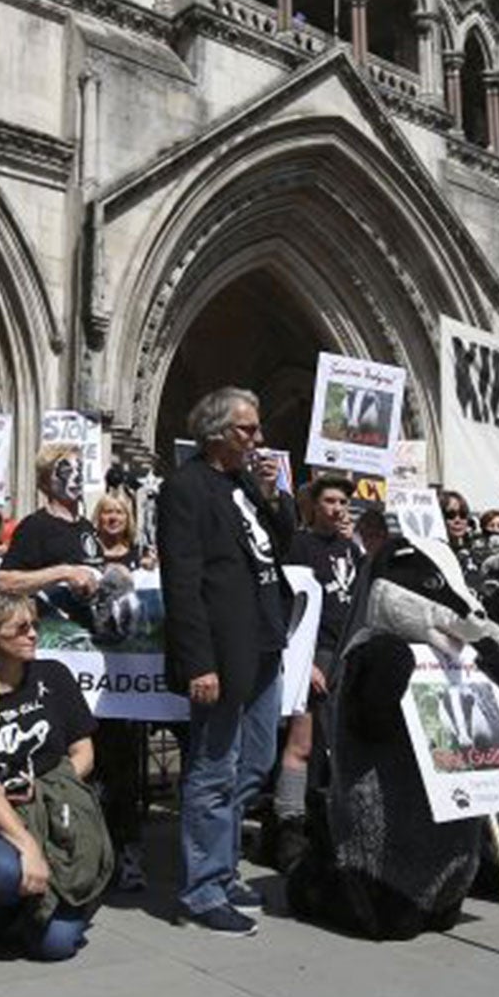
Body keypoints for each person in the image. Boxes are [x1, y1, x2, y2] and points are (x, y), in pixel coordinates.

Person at [158, 387, 295, 936]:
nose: (257, 439)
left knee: (255, 765)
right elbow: (183, 583)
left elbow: (283, 544)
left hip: (263, 647)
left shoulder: (242, 484)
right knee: (214, 771)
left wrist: (273, 495)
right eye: (247, 430)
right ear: (216, 433)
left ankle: (224, 865)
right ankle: (203, 889)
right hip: (221, 653)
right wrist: (198, 663)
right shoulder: (185, 488)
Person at [0, 589, 104, 960]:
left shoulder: (53, 675)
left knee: (56, 947)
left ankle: (49, 911)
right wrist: (27, 842)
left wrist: (47, 791)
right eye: (20, 627)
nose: (33, 635)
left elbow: (83, 750)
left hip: (56, 806)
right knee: (0, 874)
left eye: (34, 625)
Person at [280, 473, 358, 867]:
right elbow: (292, 606)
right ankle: (289, 827)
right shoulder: (299, 545)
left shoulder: (350, 549)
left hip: (347, 652)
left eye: (343, 502)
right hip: (315, 653)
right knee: (303, 742)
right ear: (314, 505)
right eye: (330, 501)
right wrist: (304, 662)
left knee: (338, 745)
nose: (338, 509)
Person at [87, 490, 151, 891]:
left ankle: (128, 853)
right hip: (90, 679)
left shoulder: (143, 555)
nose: (112, 518)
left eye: (119, 513)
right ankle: (95, 852)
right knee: (94, 769)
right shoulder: (85, 553)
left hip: (131, 683)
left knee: (125, 773)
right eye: (106, 512)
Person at [0, 444, 102, 600]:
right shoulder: (35, 526)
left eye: (79, 469)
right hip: (51, 621)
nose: (76, 476)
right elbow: (3, 581)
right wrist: (64, 573)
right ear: (45, 482)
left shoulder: (87, 527)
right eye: (66, 472)